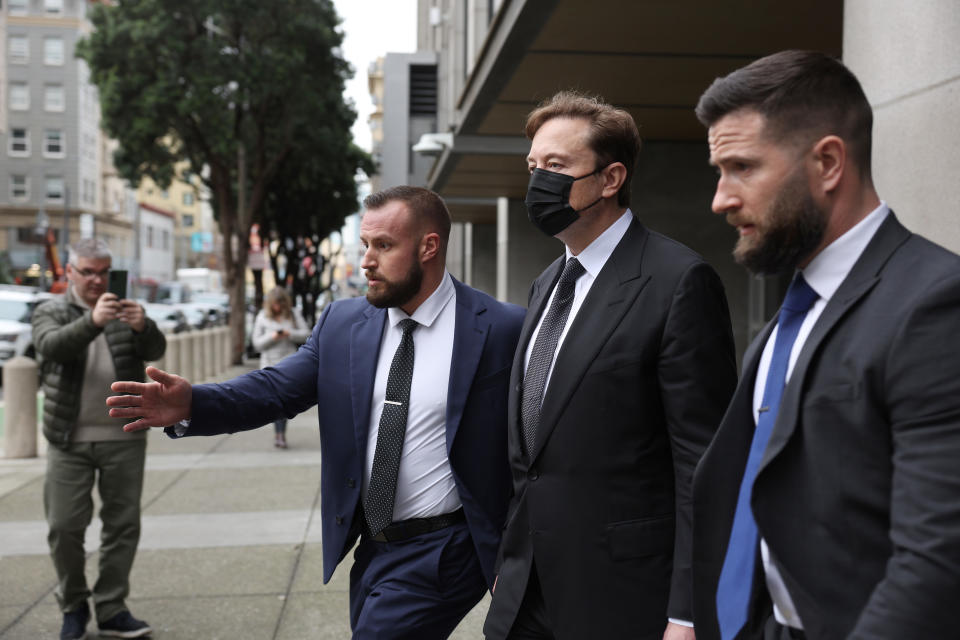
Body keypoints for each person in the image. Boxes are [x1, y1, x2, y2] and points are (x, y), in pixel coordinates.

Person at [107, 186, 526, 639]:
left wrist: (518, 552)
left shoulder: (502, 328)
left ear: (429, 247)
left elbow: (534, 444)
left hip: (448, 548)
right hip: (370, 547)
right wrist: (194, 404)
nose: (366, 260)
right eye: (365, 245)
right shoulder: (344, 323)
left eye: (384, 245)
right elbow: (276, 390)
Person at [690, 50, 960, 640]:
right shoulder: (782, 326)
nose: (721, 199)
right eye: (719, 171)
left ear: (829, 162)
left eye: (742, 167)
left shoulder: (937, 304)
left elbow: (938, 561)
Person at [483, 91, 737, 640]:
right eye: (533, 166)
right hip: (525, 593)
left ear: (610, 177)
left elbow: (704, 465)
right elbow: (533, 452)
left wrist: (688, 611)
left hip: (622, 598)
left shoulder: (679, 282)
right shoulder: (546, 283)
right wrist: (511, 558)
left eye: (556, 166)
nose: (538, 181)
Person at [32, 238, 165, 640]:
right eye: (87, 271)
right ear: (70, 272)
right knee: (64, 526)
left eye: (104, 271)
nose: (96, 279)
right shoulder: (50, 309)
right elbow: (50, 346)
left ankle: (111, 607)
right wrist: (93, 321)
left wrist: (143, 325)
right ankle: (74, 604)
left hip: (123, 434)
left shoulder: (125, 311)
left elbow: (155, 348)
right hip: (68, 438)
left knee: (122, 525)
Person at [250, 286, 310, 448]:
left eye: (281, 304)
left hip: (289, 364)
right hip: (269, 365)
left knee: (285, 401)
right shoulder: (262, 317)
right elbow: (256, 344)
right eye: (275, 304)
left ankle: (280, 434)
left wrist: (289, 333)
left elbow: (306, 333)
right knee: (275, 402)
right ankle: (279, 435)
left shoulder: (293, 314)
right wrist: (273, 336)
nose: (278, 308)